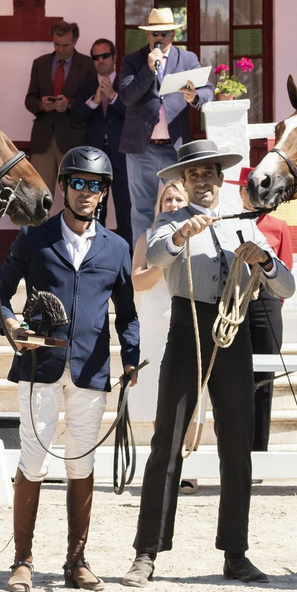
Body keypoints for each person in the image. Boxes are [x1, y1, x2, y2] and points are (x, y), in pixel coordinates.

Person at [123, 140, 295, 588]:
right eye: (194, 176)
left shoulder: (247, 226)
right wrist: (182, 234)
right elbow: (157, 257)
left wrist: (267, 262)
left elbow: (286, 287)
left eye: (210, 174)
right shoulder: (169, 222)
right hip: (187, 329)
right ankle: (147, 552)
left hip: (231, 330)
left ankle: (235, 552)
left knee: (237, 443)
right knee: (168, 439)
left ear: (221, 179)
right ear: (184, 182)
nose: (203, 182)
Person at [0, 146, 140, 592]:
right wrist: (11, 323)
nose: (85, 192)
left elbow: (128, 312)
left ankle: (76, 560)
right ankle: (22, 560)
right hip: (40, 363)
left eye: (94, 186)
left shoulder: (117, 248)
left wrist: (131, 356)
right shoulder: (34, 237)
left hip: (91, 369)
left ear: (104, 193)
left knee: (81, 461)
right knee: (33, 460)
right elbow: (1, 293)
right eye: (77, 183)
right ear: (63, 188)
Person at [117, 8, 209, 249]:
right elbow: (126, 96)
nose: (160, 37)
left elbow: (208, 90)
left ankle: (176, 259)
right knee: (141, 211)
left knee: (177, 205)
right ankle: (142, 267)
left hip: (174, 149)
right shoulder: (133, 60)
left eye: (165, 33)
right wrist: (148, 69)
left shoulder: (187, 59)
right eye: (155, 32)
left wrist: (194, 96)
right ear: (148, 35)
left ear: (173, 35)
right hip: (141, 149)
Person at [127, 180, 186, 430]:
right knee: (157, 391)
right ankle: (163, 454)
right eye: (167, 199)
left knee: (190, 394)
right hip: (154, 322)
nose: (173, 204)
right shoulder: (148, 236)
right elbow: (137, 282)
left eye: (179, 199)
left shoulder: (201, 237)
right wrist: (163, 259)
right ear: (159, 205)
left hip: (187, 321)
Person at [74, 38, 133, 244]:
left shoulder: (126, 84)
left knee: (125, 207)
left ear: (115, 57)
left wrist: (113, 96)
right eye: (95, 57)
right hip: (95, 156)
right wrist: (95, 101)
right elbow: (75, 117)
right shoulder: (86, 86)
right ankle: (97, 251)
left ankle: (128, 257)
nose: (100, 60)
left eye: (105, 55)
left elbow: (133, 114)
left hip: (123, 153)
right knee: (96, 206)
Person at [24, 21, 91, 191]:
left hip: (73, 137)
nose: (60, 50)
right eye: (56, 44)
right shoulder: (40, 63)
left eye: (65, 45)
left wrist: (69, 104)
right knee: (38, 194)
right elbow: (29, 99)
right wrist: (41, 104)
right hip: (43, 138)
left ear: (75, 41)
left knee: (76, 192)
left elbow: (91, 102)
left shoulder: (87, 65)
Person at [249, 213, 295, 452]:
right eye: (247, 188)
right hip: (235, 299)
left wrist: (274, 305)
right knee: (235, 381)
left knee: (264, 382)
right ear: (240, 192)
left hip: (266, 300)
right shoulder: (231, 221)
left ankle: (259, 452)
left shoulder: (278, 226)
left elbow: (286, 267)